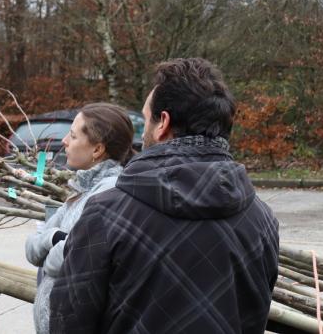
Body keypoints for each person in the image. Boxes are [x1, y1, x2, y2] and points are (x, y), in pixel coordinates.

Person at [49, 58, 279, 334]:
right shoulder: (262, 220)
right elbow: (254, 319)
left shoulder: (106, 213)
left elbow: (68, 324)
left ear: (163, 124)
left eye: (146, 119)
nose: (143, 130)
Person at [25, 103, 135, 334]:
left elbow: (66, 261)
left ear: (97, 150)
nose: (64, 141)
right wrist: (53, 238)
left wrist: (53, 245)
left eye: (73, 136)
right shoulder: (81, 192)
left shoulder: (106, 195)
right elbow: (32, 249)